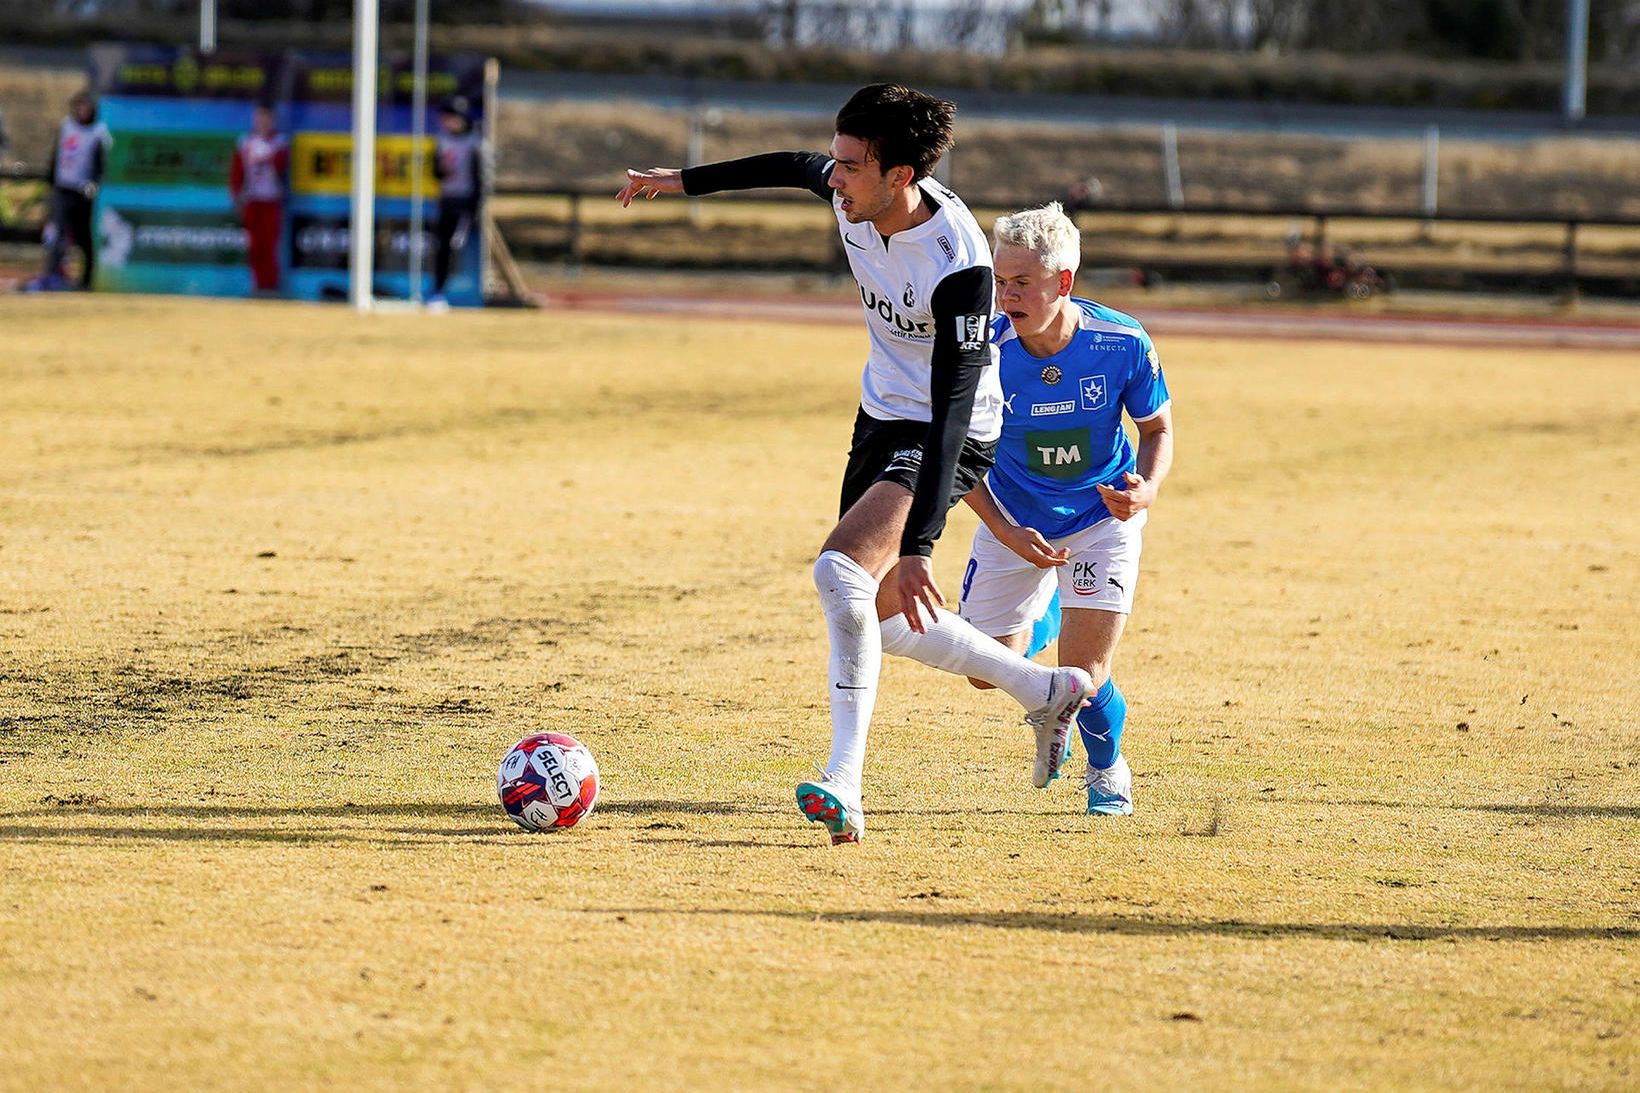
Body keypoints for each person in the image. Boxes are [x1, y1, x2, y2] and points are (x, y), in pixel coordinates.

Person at [617, 84, 1095, 845]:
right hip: (880, 415)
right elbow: (788, 164)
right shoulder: (852, 191)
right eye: (835, 161)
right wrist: (679, 181)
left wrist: (920, 548)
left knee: (840, 572)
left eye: (849, 166)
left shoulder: (959, 268)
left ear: (900, 175)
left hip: (953, 429)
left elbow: (948, 413)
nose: (832, 178)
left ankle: (844, 781)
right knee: (878, 619)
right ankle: (1044, 687)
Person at [958, 201, 1174, 816]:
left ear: (1064, 282)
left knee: (1082, 676)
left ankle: (1106, 776)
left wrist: (1147, 489)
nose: (1006, 296)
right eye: (1000, 281)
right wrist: (1005, 530)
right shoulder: (984, 348)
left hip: (1099, 522)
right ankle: (1047, 614)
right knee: (980, 669)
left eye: (1022, 282)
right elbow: (952, 452)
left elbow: (1156, 428)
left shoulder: (1122, 342)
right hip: (1009, 520)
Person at [39, 91, 111, 290]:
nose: (82, 111)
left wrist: (93, 183)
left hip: (82, 192)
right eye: (79, 107)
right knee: (59, 234)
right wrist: (51, 180)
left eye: (86, 108)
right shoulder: (66, 126)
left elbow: (100, 165)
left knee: (82, 236)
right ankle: (53, 276)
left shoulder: (98, 132)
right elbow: (57, 155)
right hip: (64, 187)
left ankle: (86, 280)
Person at [429, 96, 483, 308]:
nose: (446, 122)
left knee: (458, 246)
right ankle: (438, 293)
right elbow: (435, 172)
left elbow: (480, 177)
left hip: (466, 203)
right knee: (443, 248)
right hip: (447, 201)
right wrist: (441, 172)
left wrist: (475, 206)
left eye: (450, 118)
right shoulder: (441, 140)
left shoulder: (475, 143)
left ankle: (467, 294)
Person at [229, 104, 288, 294]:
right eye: (259, 119)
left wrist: (270, 158)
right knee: (254, 246)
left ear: (272, 120)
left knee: (269, 244)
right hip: (252, 200)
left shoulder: (279, 142)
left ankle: (271, 285)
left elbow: (283, 167)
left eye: (266, 119)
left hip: (271, 200)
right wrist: (236, 195)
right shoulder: (245, 142)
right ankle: (257, 284)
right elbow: (237, 172)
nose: (262, 123)